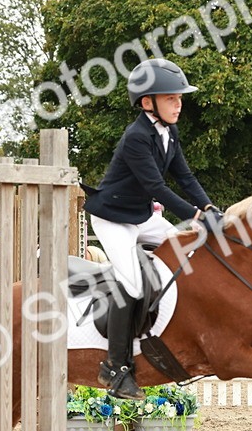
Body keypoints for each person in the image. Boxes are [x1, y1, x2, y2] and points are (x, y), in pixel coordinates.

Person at [83, 58, 217, 399]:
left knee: (189, 246)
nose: (179, 104)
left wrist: (209, 208)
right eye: (172, 98)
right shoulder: (136, 137)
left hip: (141, 217)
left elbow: (185, 177)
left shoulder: (169, 132)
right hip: (113, 219)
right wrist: (194, 214)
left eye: (179, 98)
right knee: (131, 281)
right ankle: (114, 368)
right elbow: (158, 186)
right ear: (147, 102)